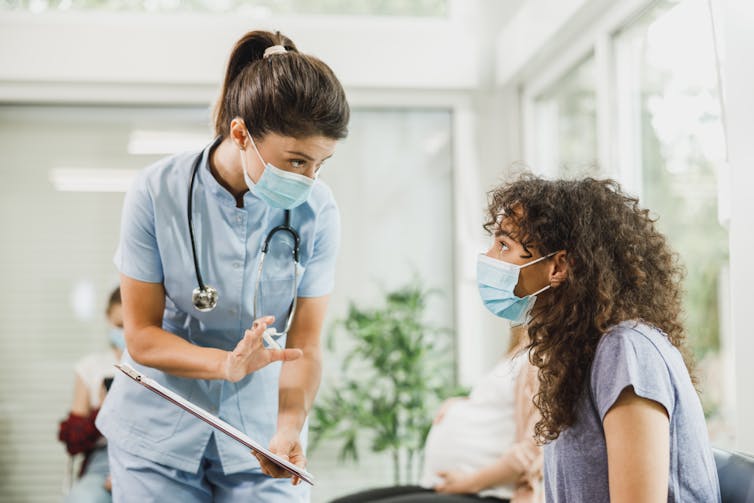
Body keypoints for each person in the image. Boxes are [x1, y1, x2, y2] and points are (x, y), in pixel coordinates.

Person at [95, 29, 349, 502]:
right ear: (240, 133)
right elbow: (141, 334)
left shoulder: (320, 211)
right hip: (158, 427)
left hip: (259, 435)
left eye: (321, 163)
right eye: (296, 161)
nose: (309, 179)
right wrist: (225, 364)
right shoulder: (156, 191)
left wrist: (289, 427)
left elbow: (306, 344)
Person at [477, 175, 721, 502]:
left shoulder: (627, 350)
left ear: (558, 266)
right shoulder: (577, 354)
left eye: (504, 245)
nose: (489, 257)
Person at [331, 326, 543, 503]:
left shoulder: (545, 356)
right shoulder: (523, 345)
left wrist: (470, 482)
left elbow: (534, 449)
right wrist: (461, 404)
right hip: (450, 486)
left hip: (488, 493)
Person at [59, 286, 124, 503]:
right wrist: (102, 411)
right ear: (107, 319)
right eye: (119, 326)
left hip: (153, 459)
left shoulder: (157, 367)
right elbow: (73, 441)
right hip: (102, 460)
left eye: (130, 326)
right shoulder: (90, 367)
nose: (124, 333)